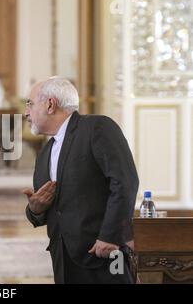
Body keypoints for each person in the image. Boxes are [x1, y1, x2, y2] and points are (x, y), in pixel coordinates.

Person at [23, 77, 138, 284]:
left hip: (107, 253)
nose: (26, 112)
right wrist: (35, 209)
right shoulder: (45, 153)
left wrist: (111, 236)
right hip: (64, 260)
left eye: (30, 104)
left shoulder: (97, 127)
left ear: (50, 104)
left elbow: (125, 183)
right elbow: (48, 210)